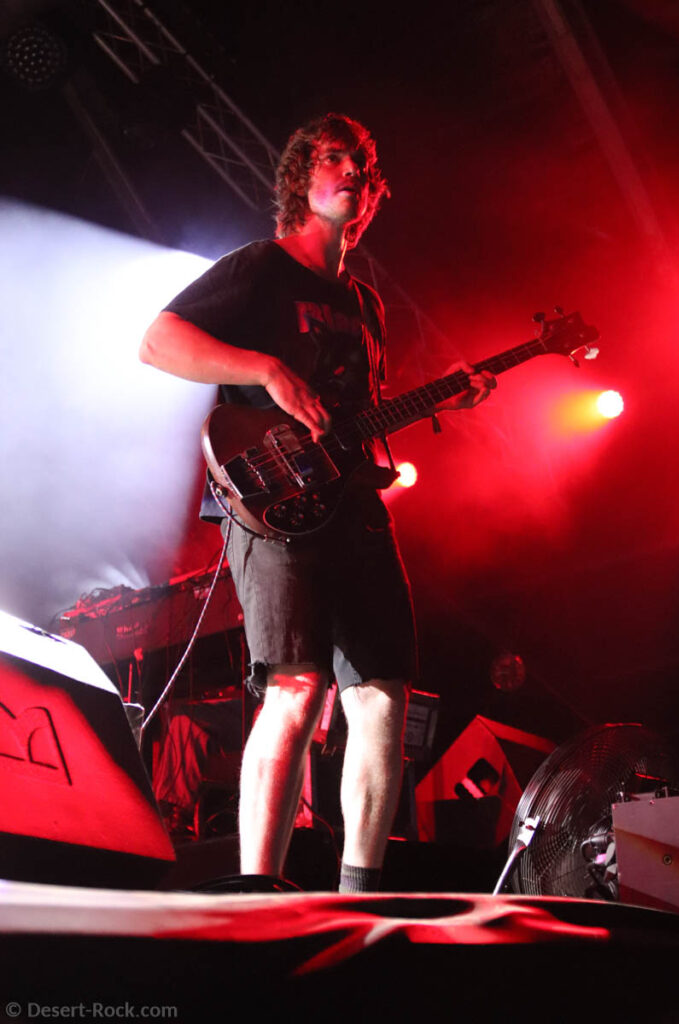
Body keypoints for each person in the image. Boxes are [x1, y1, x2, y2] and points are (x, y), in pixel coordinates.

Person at [140, 113, 495, 891]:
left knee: (383, 696)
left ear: (372, 198)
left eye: (363, 166)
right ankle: (255, 893)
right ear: (301, 177)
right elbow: (158, 342)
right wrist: (266, 370)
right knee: (295, 688)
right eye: (335, 159)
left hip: (354, 507)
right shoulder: (262, 268)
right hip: (272, 502)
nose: (352, 173)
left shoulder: (366, 304)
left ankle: (359, 893)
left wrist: (444, 398)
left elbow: (352, 419)